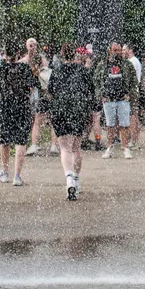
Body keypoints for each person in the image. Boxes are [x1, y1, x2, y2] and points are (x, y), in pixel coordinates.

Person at [49, 46, 96, 200]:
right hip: (78, 109)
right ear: (75, 54)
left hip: (61, 109)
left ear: (62, 55)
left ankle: (69, 180)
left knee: (64, 148)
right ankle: (76, 180)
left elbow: (51, 90)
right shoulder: (82, 70)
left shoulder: (56, 70)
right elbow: (91, 91)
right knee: (76, 148)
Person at [0, 44, 38, 186]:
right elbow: (33, 85)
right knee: (20, 140)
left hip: (5, 106)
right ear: (18, 53)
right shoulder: (24, 68)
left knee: (4, 139)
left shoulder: (1, 67)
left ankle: (4, 172)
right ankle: (17, 176)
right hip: (22, 106)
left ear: (5, 53)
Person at [96, 43, 137, 160]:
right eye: (115, 50)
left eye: (119, 50)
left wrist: (130, 94)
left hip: (123, 99)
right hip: (108, 99)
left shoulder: (127, 64)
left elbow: (134, 81)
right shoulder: (103, 64)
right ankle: (109, 148)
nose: (118, 52)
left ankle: (125, 148)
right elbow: (96, 80)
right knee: (110, 125)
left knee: (124, 125)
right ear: (110, 51)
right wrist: (101, 95)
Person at [124, 44, 145, 148]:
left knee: (132, 117)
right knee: (134, 116)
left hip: (132, 92)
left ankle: (133, 140)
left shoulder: (132, 61)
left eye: (124, 50)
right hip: (134, 91)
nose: (123, 52)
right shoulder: (135, 61)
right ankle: (134, 140)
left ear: (130, 50)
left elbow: (130, 79)